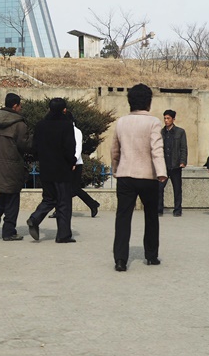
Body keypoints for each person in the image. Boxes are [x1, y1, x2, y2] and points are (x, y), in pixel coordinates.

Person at [111, 84, 167, 272]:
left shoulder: (121, 122)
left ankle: (120, 260)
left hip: (125, 175)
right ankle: (151, 256)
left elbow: (115, 150)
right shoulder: (153, 122)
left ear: (130, 102)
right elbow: (156, 149)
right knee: (151, 216)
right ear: (148, 102)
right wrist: (161, 172)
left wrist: (115, 169)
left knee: (123, 218)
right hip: (148, 176)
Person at [26, 98, 77, 243]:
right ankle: (63, 234)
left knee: (49, 199)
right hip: (62, 169)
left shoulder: (41, 125)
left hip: (46, 169)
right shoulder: (66, 125)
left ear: (49, 109)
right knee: (64, 202)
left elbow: (34, 147)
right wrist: (72, 161)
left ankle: (35, 218)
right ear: (64, 110)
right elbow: (69, 148)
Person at [0, 93, 32, 241]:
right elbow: (26, 146)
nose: (21, 108)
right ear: (15, 106)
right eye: (20, 105)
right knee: (13, 197)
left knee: (6, 194)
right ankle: (9, 231)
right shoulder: (19, 124)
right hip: (12, 166)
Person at [49, 110, 100, 218]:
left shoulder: (76, 131)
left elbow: (77, 149)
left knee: (74, 189)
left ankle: (61, 209)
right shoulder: (64, 130)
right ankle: (92, 204)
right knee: (65, 189)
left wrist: (73, 162)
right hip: (65, 164)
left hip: (75, 164)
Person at [158, 109, 187, 217]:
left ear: (173, 119)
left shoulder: (180, 132)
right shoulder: (161, 132)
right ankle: (159, 209)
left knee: (177, 189)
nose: (166, 120)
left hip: (175, 165)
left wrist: (183, 161)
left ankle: (177, 209)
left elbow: (183, 147)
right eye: (165, 118)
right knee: (159, 188)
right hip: (164, 165)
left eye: (168, 118)